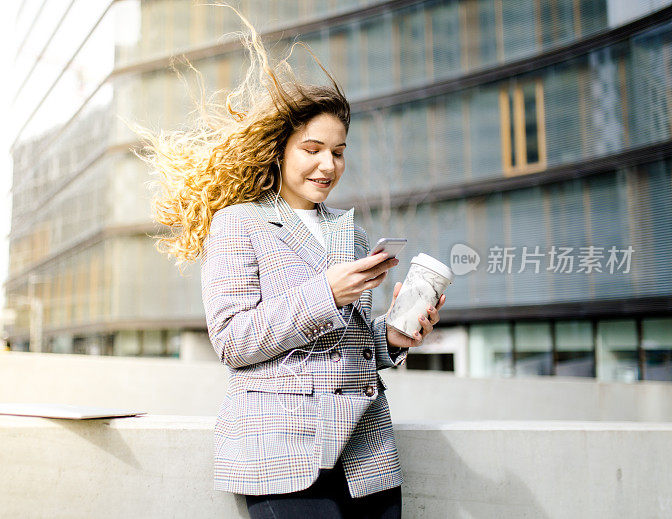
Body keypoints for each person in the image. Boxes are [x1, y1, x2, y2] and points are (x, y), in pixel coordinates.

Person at [135, 8, 445, 518]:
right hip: (283, 456)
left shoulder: (353, 232)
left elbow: (349, 343)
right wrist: (326, 292)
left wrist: (392, 337)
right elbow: (233, 340)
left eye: (339, 152)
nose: (329, 165)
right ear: (279, 151)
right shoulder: (239, 224)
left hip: (366, 457)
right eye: (313, 149)